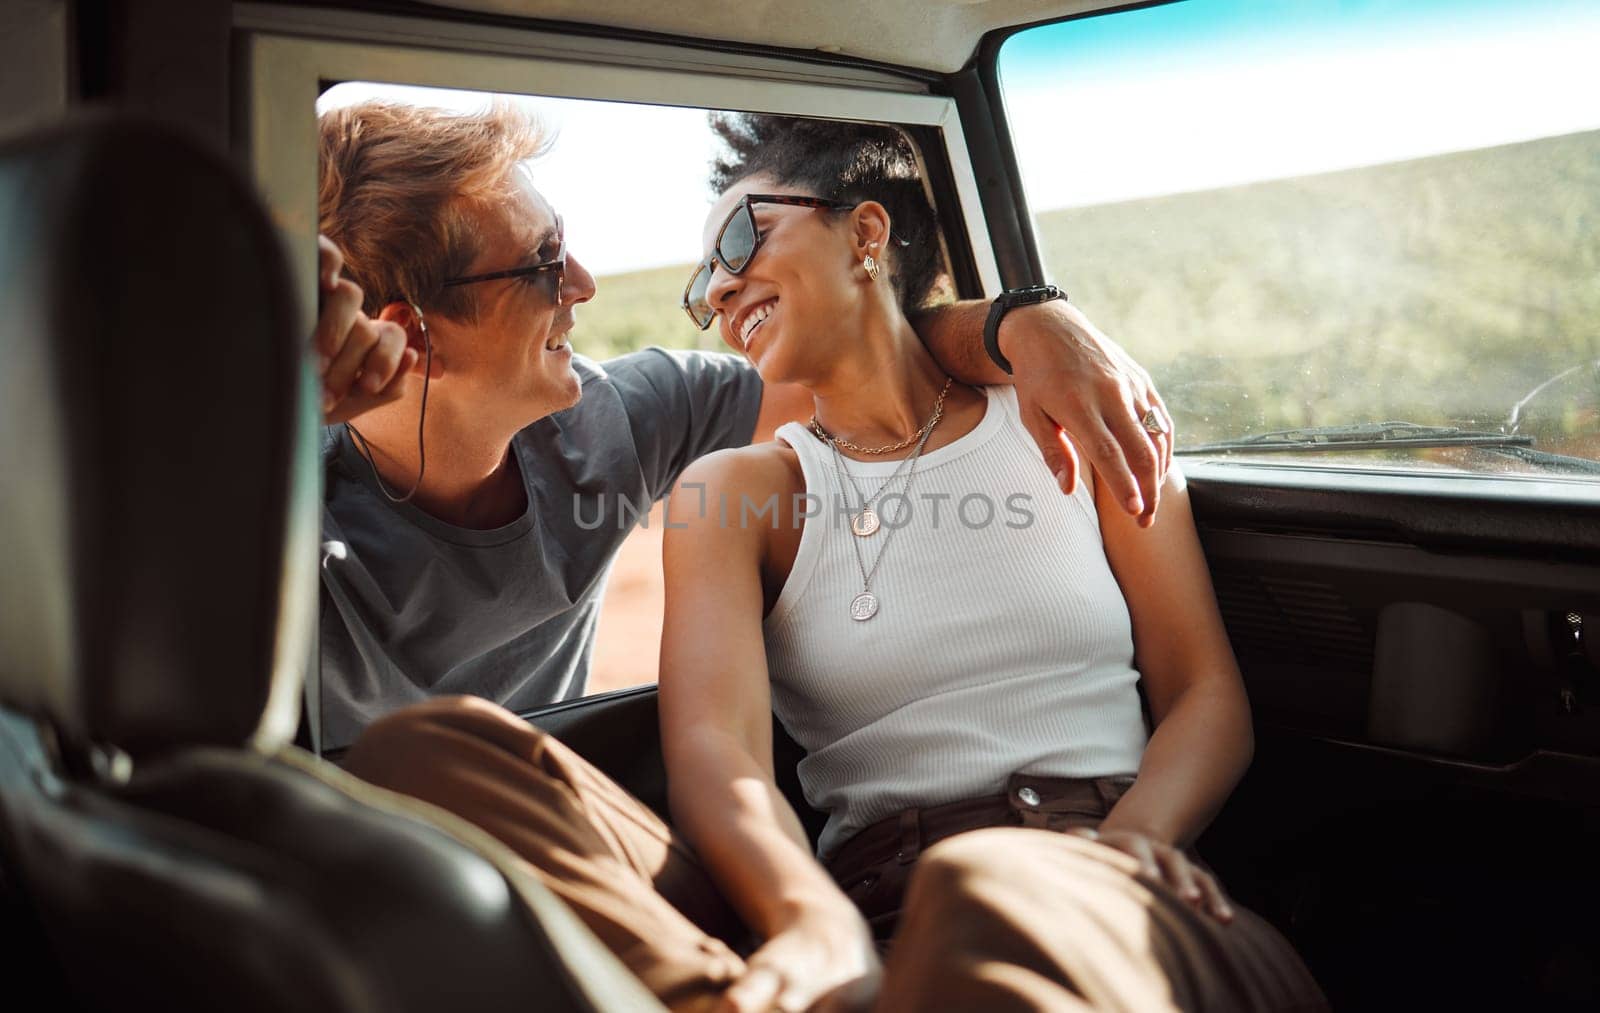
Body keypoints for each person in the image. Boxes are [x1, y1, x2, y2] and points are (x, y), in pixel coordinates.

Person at [341, 114, 1327, 1011]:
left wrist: (1028, 322)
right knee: (420, 760)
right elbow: (720, 763)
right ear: (407, 334)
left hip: (1107, 881)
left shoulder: (1073, 420)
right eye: (703, 283)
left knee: (981, 889)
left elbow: (1203, 689)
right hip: (871, 906)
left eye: (738, 241)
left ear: (864, 234)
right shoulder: (730, 491)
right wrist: (816, 920)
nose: (718, 286)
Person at [312, 99, 1174, 751]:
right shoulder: (276, 510)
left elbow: (858, 360)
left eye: (563, 242)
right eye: (542, 264)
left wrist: (1020, 326)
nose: (583, 283)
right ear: (410, 335)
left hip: (557, 809)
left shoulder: (624, 416)